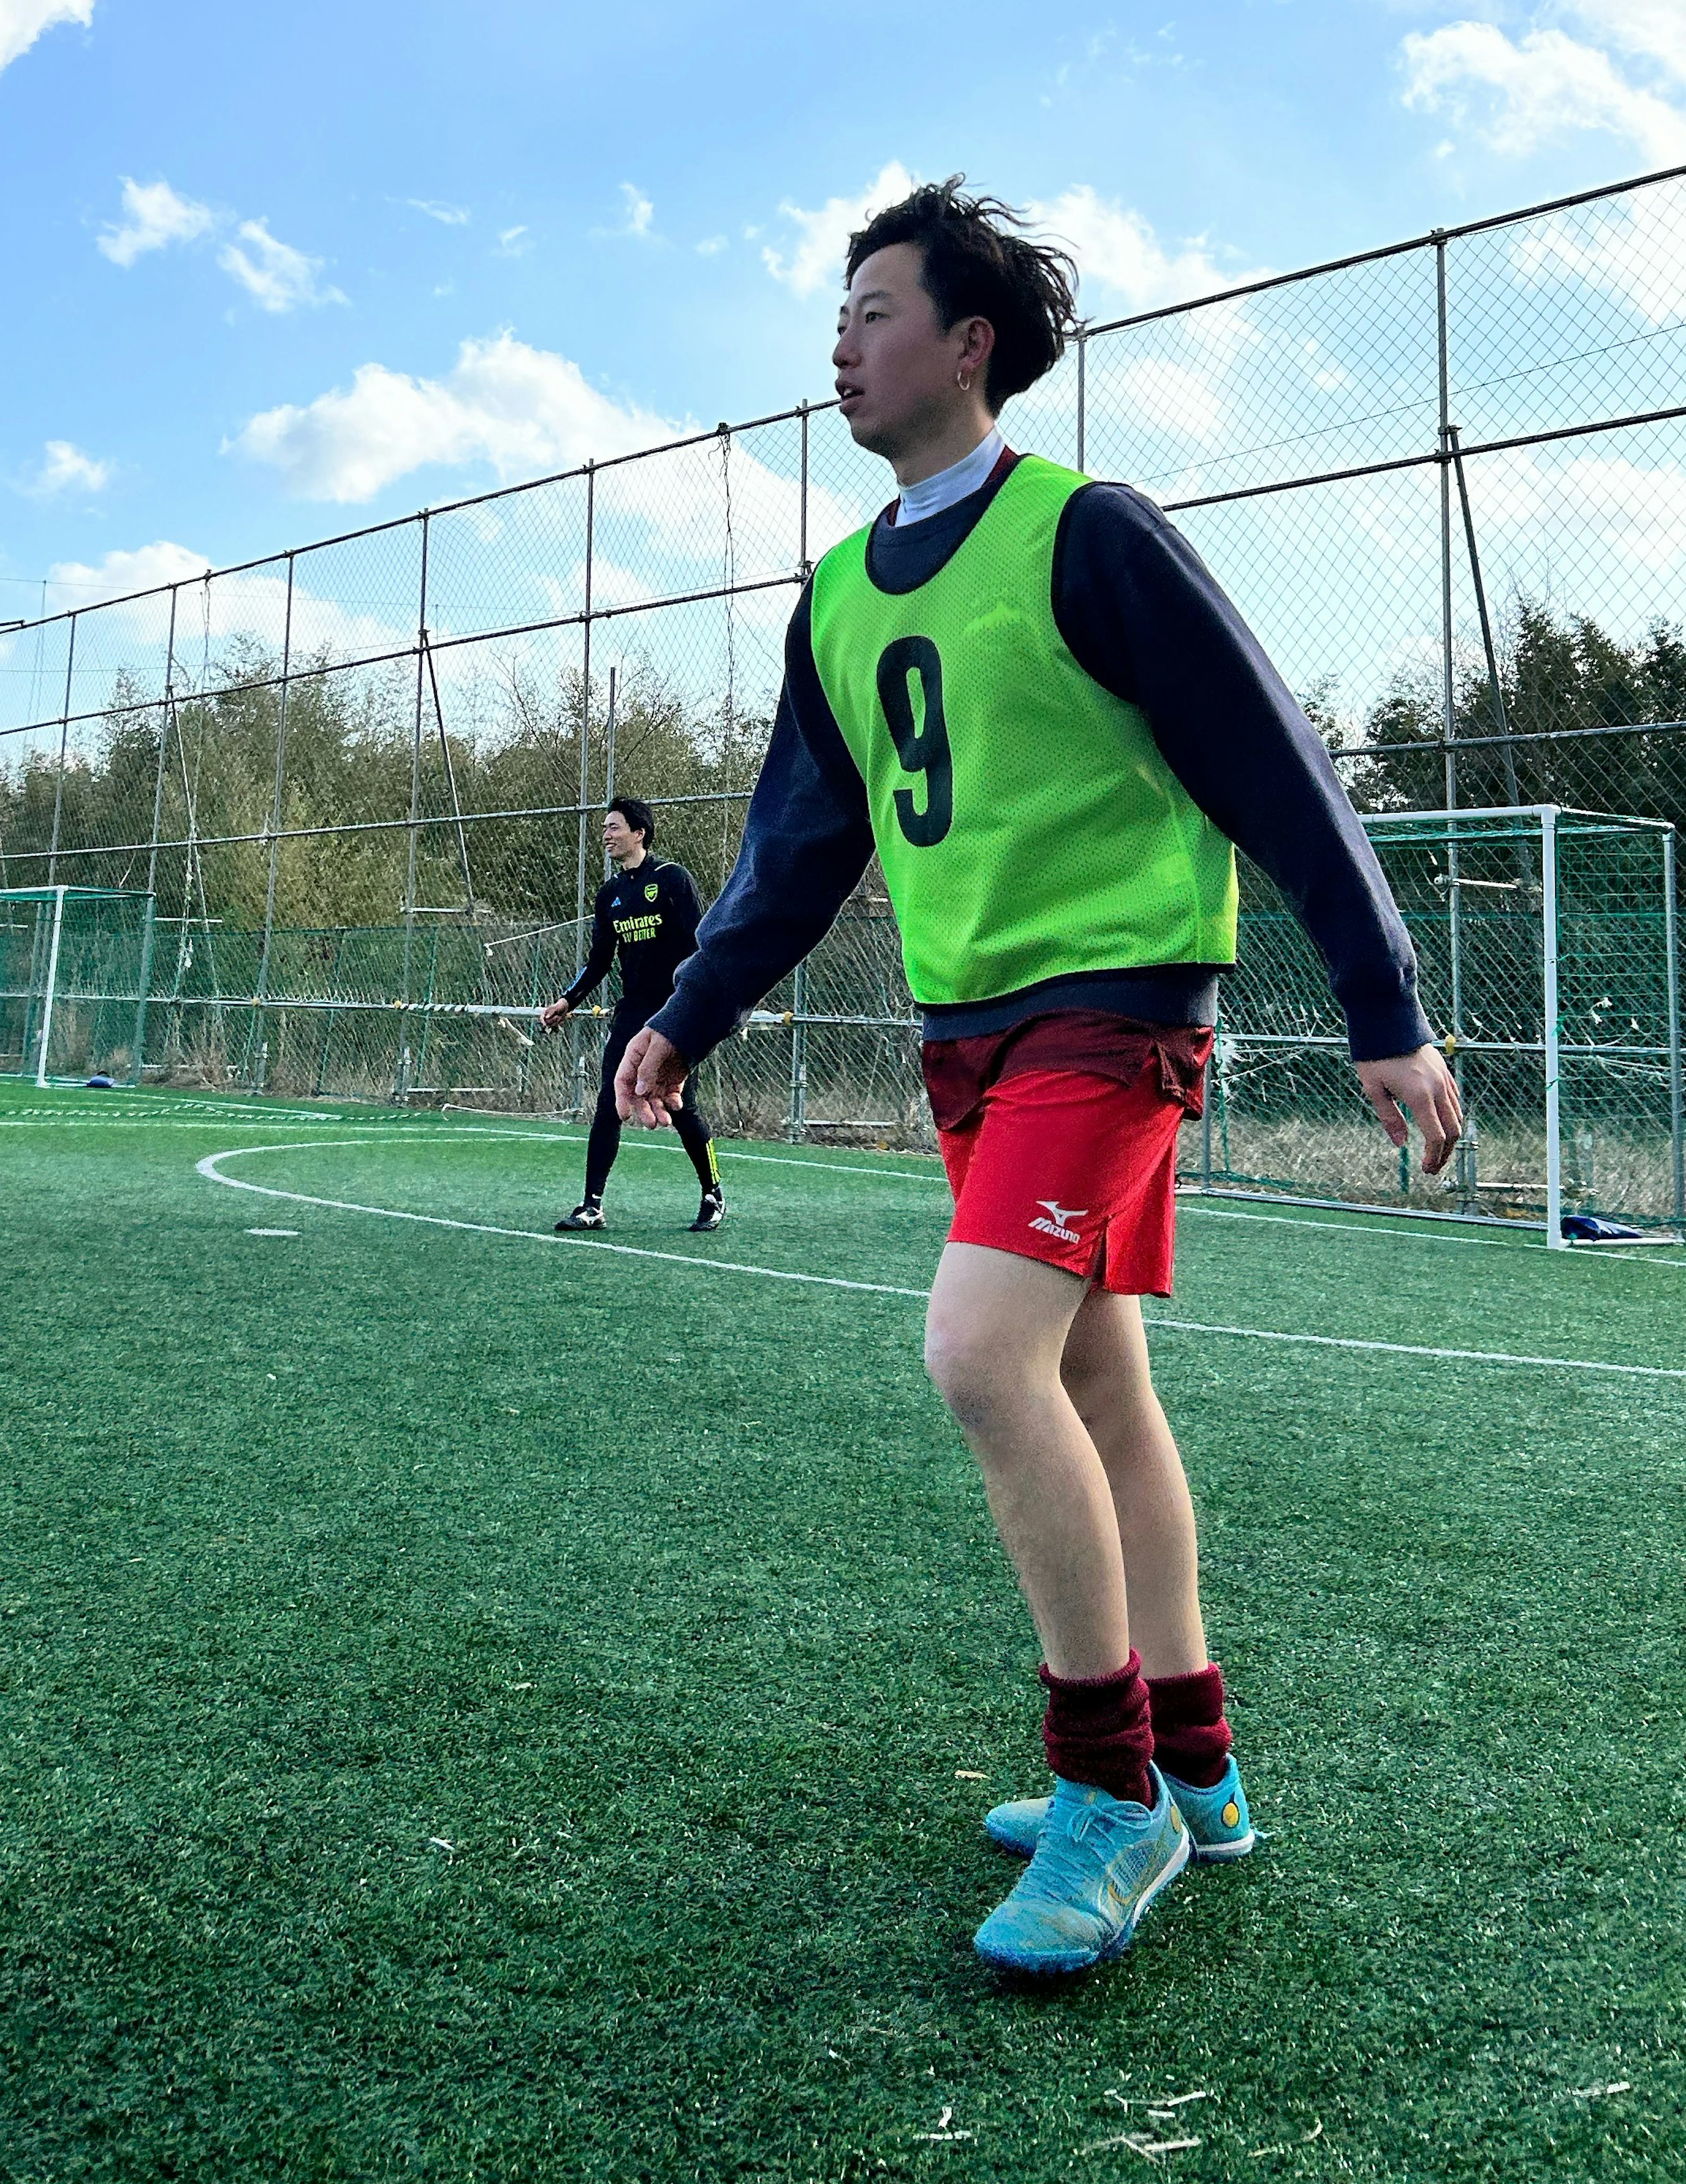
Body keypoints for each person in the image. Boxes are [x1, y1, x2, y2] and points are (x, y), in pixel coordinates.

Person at [618, 178, 1461, 1978]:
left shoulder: (1093, 532)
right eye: (834, 316)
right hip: (969, 1037)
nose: (840, 344)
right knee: (1096, 1380)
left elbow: (1274, 766)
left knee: (979, 1355)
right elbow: (796, 848)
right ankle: (1201, 1765)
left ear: (970, 342)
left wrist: (1382, 999)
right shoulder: (837, 595)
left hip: (1115, 1010)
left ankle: (1113, 1791)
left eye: (873, 311)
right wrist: (689, 1010)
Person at [540, 797, 724, 1235]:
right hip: (631, 1014)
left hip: (674, 1013)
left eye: (614, 827)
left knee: (682, 1106)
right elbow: (599, 960)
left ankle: (713, 1193)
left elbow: (702, 945)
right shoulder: (611, 895)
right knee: (608, 1105)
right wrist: (569, 1000)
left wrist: (702, 1007)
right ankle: (592, 1205)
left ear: (639, 833)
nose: (606, 835)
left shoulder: (672, 880)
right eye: (604, 828)